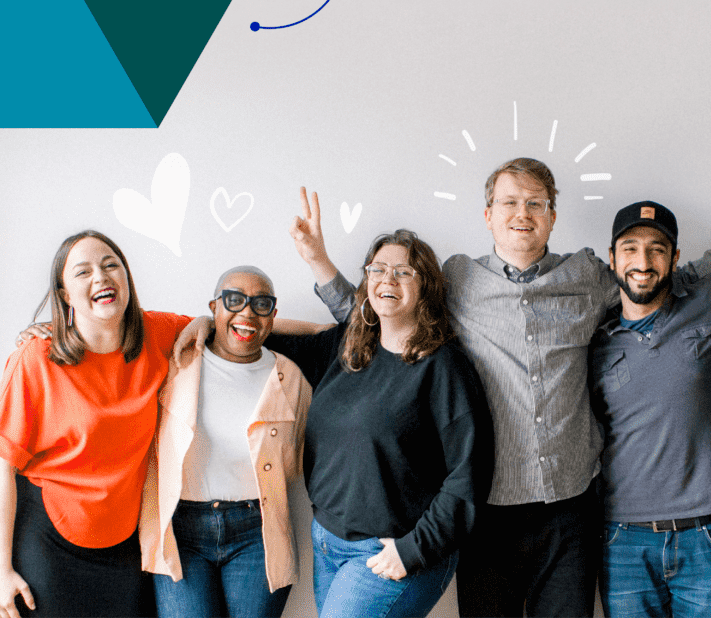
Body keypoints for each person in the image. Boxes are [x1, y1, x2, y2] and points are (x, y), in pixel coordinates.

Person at [291, 159, 711, 617]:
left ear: (551, 215)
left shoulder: (588, 275)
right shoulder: (458, 278)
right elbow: (381, 311)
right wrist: (319, 265)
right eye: (509, 202)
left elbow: (669, 279)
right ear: (488, 214)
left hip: (571, 510)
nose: (521, 213)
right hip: (487, 513)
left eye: (535, 203)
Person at [232, 230, 492, 617]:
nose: (388, 280)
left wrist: (412, 550)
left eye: (404, 272)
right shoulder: (348, 349)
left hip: (393, 550)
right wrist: (207, 324)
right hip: (327, 544)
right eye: (378, 269)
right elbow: (260, 337)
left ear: (426, 289)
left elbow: (469, 475)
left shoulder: (444, 368)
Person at [0, 230, 193, 617]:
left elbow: (240, 325)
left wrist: (328, 334)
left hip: (125, 545)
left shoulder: (156, 333)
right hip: (48, 540)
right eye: (83, 272)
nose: (101, 277)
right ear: (65, 295)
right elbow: (3, 466)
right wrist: (0, 569)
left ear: (126, 278)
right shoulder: (36, 358)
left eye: (110, 266)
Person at [590, 200, 711, 618]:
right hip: (622, 539)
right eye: (629, 249)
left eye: (657, 249)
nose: (642, 262)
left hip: (708, 533)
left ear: (675, 258)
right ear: (612, 260)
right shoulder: (593, 336)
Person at [142, 266, 312, 618]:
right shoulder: (176, 359)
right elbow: (110, 331)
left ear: (273, 316)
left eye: (261, 304)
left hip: (257, 533)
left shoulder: (290, 377)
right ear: (214, 307)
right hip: (180, 530)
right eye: (234, 300)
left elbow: (298, 463)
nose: (247, 312)